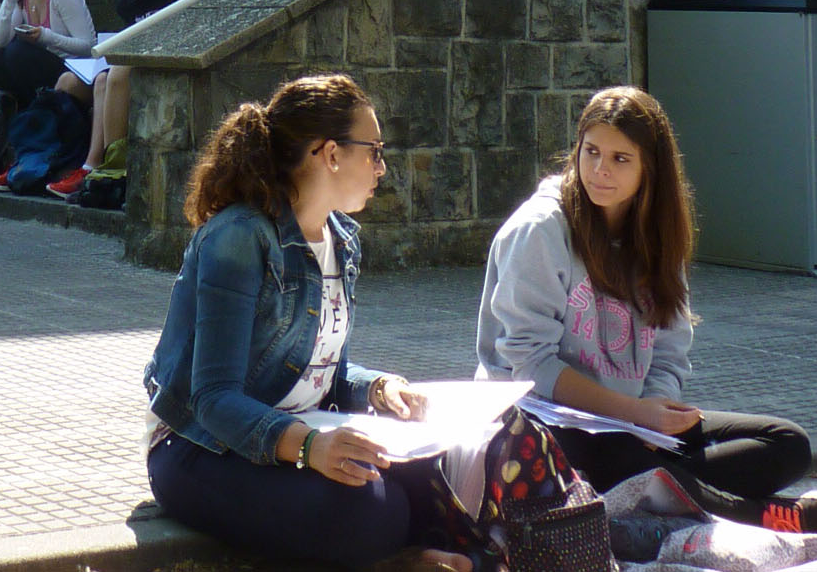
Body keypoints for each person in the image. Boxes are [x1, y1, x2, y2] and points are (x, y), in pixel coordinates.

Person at [145, 73, 575, 568]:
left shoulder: (341, 239)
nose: (381, 167)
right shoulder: (239, 238)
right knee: (372, 514)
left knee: (454, 468)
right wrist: (311, 448)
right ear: (330, 154)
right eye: (373, 150)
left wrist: (378, 390)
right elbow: (213, 398)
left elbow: (321, 370)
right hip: (200, 449)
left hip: (299, 433)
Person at [475, 85, 817, 536]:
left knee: (787, 444)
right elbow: (531, 365)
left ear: (649, 169)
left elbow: (670, 348)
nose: (599, 170)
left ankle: (647, 500)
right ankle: (761, 516)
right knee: (622, 459)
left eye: (620, 159)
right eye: (590, 151)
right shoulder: (540, 229)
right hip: (541, 424)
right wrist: (633, 415)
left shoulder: (659, 234)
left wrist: (654, 409)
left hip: (631, 421)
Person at [46, 0, 176, 200]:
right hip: (127, 63)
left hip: (155, 65)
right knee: (67, 82)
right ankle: (74, 164)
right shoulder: (124, 4)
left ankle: (106, 170)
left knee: (109, 79)